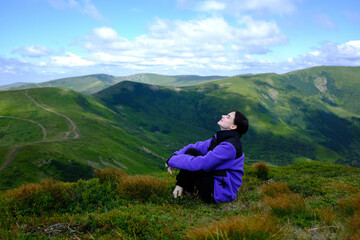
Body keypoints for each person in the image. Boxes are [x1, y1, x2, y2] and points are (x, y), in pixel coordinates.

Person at [165, 110, 248, 203]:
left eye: (228, 116)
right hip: (215, 183)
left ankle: (184, 188)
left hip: (219, 194)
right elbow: (194, 147)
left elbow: (201, 165)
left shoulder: (229, 147)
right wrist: (175, 155)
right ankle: (185, 189)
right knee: (191, 152)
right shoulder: (220, 139)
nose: (223, 116)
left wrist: (172, 161)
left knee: (195, 163)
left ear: (233, 126)